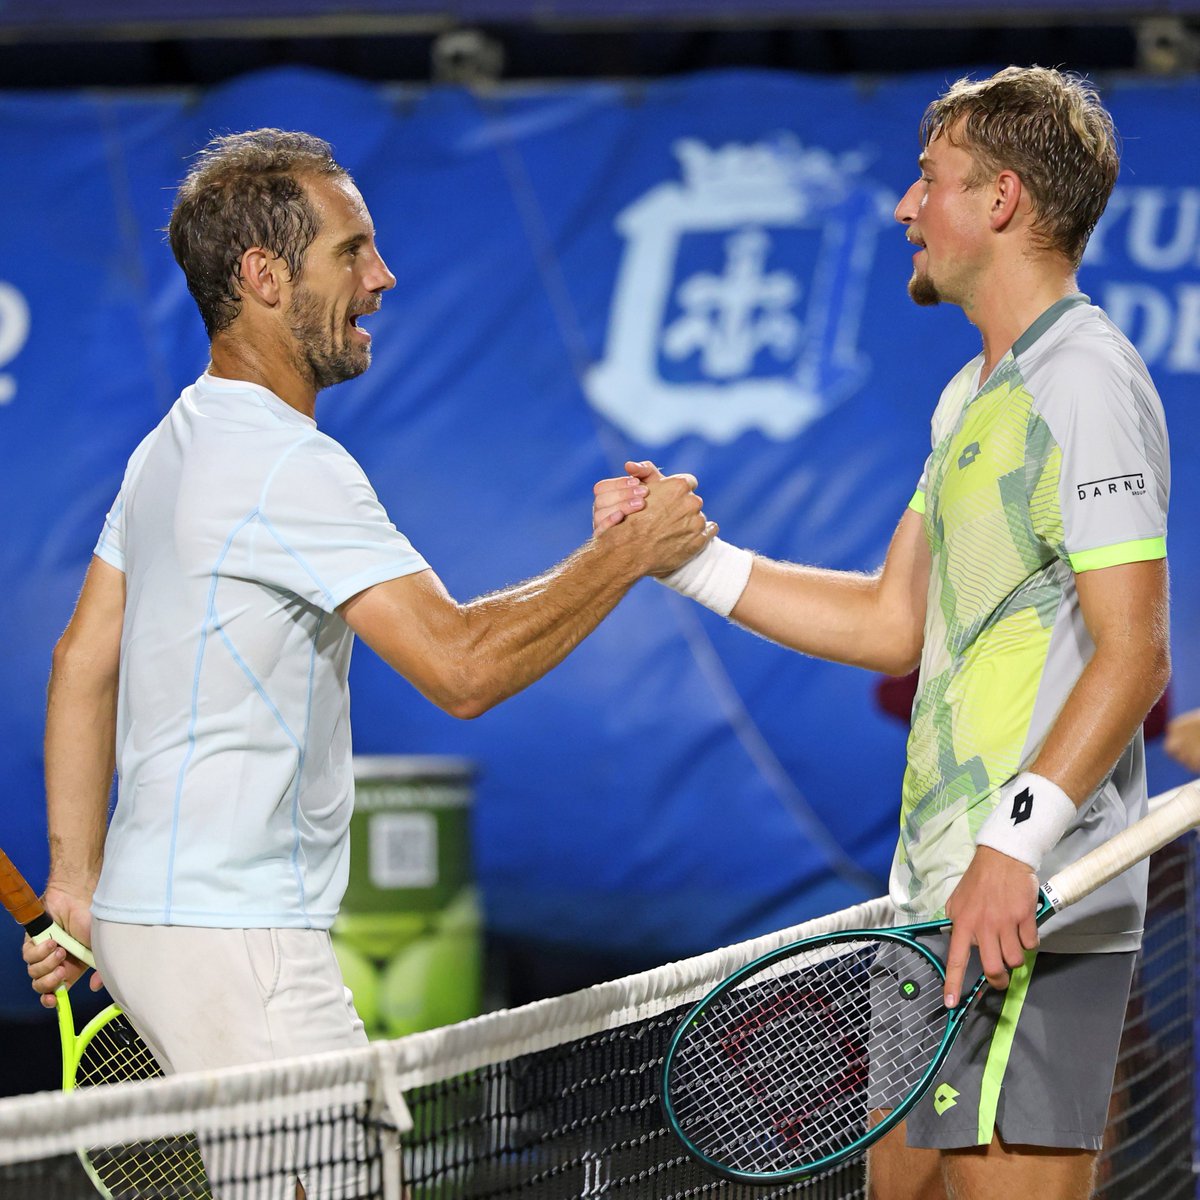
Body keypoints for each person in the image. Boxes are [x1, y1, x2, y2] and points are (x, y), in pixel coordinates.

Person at [22, 129, 712, 1083]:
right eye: (352, 250)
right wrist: (629, 554)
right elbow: (463, 668)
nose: (382, 277)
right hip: (238, 942)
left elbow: (80, 662)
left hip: (153, 922)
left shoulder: (170, 444)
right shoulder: (287, 466)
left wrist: (75, 880)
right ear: (265, 276)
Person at [595, 67, 1169, 1200]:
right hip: (938, 908)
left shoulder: (1087, 381)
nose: (906, 207)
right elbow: (889, 620)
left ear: (1001, 199)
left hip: (1026, 910)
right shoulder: (972, 396)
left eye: (929, 181)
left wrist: (1013, 846)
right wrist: (692, 560)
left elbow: (1134, 649)